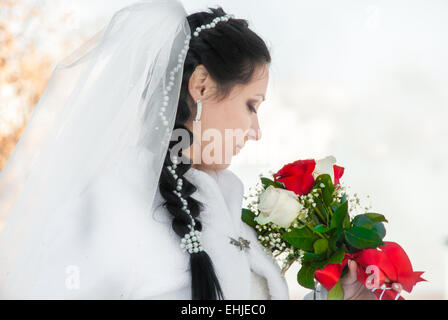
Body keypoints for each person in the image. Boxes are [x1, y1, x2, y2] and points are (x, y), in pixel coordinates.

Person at [0, 0, 402, 299]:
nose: (256, 131)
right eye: (251, 105)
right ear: (202, 86)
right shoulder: (114, 204)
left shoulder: (229, 210)